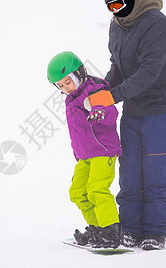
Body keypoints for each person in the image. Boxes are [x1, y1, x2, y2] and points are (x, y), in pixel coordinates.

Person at [87, 0, 166, 250]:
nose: (116, 10)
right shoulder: (116, 26)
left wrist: (113, 96)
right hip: (134, 107)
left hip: (161, 106)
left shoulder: (156, 23)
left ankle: (154, 231)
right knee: (129, 169)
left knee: (154, 169)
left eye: (119, 4)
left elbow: (148, 73)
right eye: (110, 6)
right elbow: (117, 68)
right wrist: (99, 93)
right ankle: (130, 228)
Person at [47, 51, 123, 249]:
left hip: (103, 151)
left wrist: (100, 111)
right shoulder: (71, 98)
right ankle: (97, 227)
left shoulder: (94, 90)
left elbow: (111, 112)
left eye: (68, 82)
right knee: (78, 192)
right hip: (84, 155)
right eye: (61, 86)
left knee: (97, 189)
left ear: (79, 74)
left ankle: (111, 230)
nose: (66, 88)